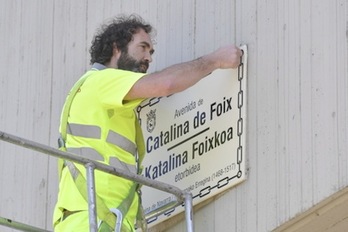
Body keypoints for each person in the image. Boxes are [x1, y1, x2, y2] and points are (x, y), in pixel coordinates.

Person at [53, 14, 242, 232]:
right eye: (142, 47)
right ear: (116, 48)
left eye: (151, 52)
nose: (149, 58)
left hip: (105, 222)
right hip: (90, 222)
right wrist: (215, 60)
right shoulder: (100, 81)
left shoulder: (106, 97)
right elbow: (166, 83)